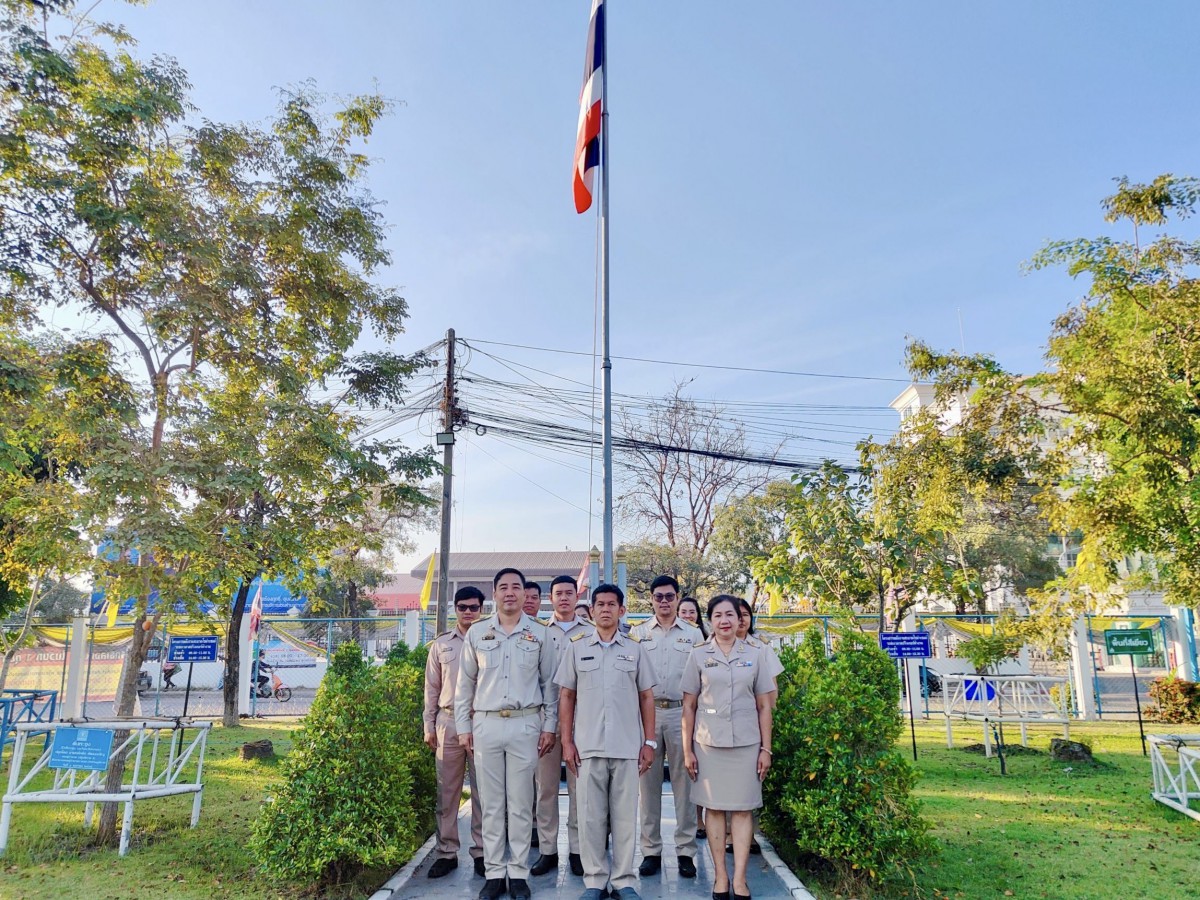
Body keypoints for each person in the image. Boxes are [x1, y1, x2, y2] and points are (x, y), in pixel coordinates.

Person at [456, 568, 559, 900]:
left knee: (519, 802)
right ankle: (494, 872)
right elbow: (464, 686)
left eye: (517, 587)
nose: (510, 593)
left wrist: (549, 727)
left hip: (525, 724)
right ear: (495, 594)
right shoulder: (477, 633)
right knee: (489, 803)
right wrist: (463, 728)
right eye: (504, 587)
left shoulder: (539, 634)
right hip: (486, 725)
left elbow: (550, 686)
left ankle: (517, 873)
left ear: (525, 594)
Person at [556, 583, 657, 900]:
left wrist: (649, 743)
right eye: (599, 604)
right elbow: (566, 696)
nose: (604, 609)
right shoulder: (576, 647)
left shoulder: (635, 649)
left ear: (621, 610)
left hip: (627, 747)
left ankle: (624, 880)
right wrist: (567, 742)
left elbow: (646, 697)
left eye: (611, 604)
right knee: (590, 817)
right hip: (587, 748)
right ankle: (595, 881)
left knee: (626, 816)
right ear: (593, 608)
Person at [681, 596, 775, 900]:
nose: (724, 620)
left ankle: (739, 879)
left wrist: (766, 749)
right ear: (709, 620)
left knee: (744, 809)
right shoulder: (697, 655)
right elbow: (689, 706)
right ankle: (720, 877)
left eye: (730, 615)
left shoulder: (756, 654)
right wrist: (687, 751)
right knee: (715, 808)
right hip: (708, 744)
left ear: (740, 620)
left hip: (747, 744)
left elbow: (764, 706)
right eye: (718, 615)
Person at [629, 575, 702, 880]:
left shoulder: (694, 634)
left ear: (677, 597)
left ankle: (685, 851)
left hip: (681, 714)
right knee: (648, 786)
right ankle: (650, 851)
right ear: (651, 599)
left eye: (669, 596)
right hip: (647, 715)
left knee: (685, 785)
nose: (663, 601)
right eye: (658, 597)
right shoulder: (638, 633)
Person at [530, 575, 593, 878]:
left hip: (583, 722)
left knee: (581, 789)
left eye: (570, 593)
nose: (565, 598)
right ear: (550, 598)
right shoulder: (538, 633)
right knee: (546, 789)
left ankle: (579, 850)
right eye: (559, 594)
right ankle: (547, 850)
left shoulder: (592, 632)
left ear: (576, 596)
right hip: (546, 723)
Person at [424, 586, 487, 879]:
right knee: (447, 792)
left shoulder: (491, 639)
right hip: (447, 722)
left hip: (482, 723)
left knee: (483, 793)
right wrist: (428, 724)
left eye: (473, 607)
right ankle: (447, 852)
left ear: (482, 609)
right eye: (462, 607)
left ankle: (482, 853)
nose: (468, 612)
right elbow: (432, 689)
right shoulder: (442, 645)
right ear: (454, 609)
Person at [677, 595, 710, 838]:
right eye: (684, 611)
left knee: (691, 771)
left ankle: (695, 823)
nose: (688, 615)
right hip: (659, 711)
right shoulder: (646, 634)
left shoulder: (703, 640)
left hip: (693, 711)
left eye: (692, 612)